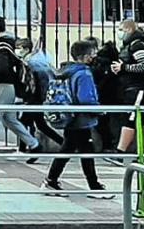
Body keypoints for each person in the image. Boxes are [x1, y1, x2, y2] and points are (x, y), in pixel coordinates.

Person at [42, 40, 113, 199]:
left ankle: (52, 180)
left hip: (70, 116)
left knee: (71, 149)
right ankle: (93, 186)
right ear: (87, 56)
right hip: (81, 118)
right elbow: (85, 98)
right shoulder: (84, 74)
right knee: (84, 152)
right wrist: (99, 109)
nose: (95, 56)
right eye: (93, 53)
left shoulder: (67, 71)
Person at [0, 16, 40, 165]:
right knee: (9, 119)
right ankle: (34, 144)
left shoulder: (1, 45)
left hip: (0, 86)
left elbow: (2, 68)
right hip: (8, 86)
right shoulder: (7, 44)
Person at [16, 36, 64, 161]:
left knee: (23, 123)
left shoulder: (33, 62)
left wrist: (36, 97)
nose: (17, 51)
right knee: (39, 125)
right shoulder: (32, 60)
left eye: (19, 48)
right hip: (35, 99)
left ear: (26, 49)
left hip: (34, 99)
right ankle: (62, 144)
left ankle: (31, 148)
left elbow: (40, 82)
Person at [112, 27, 144, 159]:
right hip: (135, 87)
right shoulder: (133, 45)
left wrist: (124, 67)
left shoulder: (138, 46)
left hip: (137, 89)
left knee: (130, 119)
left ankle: (120, 152)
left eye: (122, 29)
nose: (120, 32)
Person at [90, 39, 122, 150]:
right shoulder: (114, 63)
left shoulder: (99, 63)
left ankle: (107, 145)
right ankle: (109, 145)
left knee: (101, 123)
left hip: (101, 97)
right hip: (113, 96)